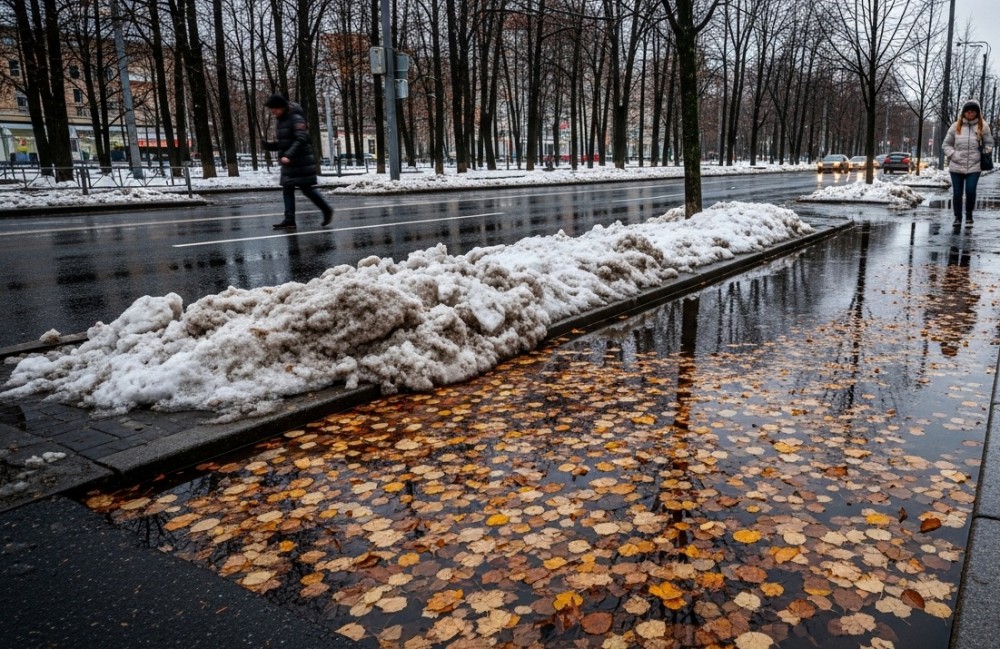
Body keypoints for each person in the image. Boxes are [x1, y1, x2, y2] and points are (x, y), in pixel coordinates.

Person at [261, 93, 332, 230]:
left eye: (274, 108)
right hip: (290, 163)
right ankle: (289, 220)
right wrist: (270, 146)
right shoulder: (282, 120)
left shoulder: (296, 118)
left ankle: (326, 210)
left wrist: (289, 155)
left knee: (307, 190)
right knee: (287, 190)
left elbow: (301, 139)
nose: (272, 111)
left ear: (281, 106)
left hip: (300, 162)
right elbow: (286, 142)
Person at [942, 99, 994, 227]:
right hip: (956, 165)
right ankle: (958, 218)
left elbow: (989, 143)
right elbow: (946, 144)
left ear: (977, 113)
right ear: (964, 112)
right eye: (968, 112)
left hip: (974, 165)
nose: (970, 114)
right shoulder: (955, 126)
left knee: (970, 191)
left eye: (973, 112)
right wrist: (953, 154)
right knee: (957, 193)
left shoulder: (983, 126)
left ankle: (969, 215)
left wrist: (984, 153)